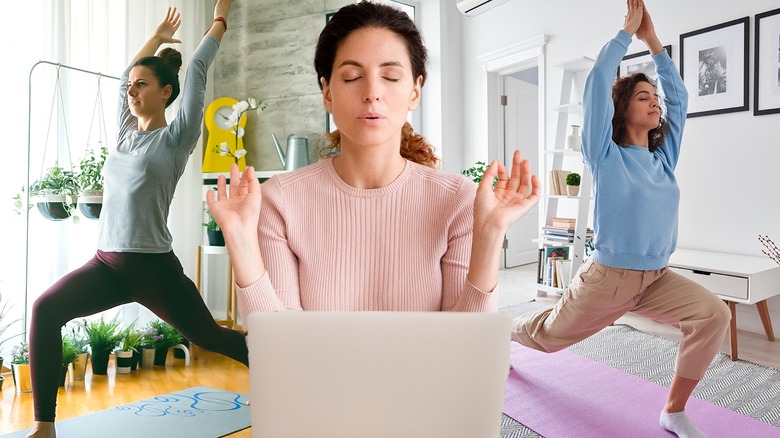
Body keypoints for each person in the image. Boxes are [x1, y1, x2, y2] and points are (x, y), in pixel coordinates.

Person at [207, 1, 540, 318]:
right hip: (317, 377)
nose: (372, 92)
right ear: (327, 93)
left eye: (391, 77)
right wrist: (239, 238)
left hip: (428, 378)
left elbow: (468, 340)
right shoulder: (281, 199)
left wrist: (491, 234)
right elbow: (277, 336)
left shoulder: (456, 199)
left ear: (415, 91)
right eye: (352, 77)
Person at [26, 3, 248, 437]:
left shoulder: (176, 137)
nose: (131, 91)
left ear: (166, 92)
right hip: (106, 265)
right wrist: (158, 37)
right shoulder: (126, 133)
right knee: (45, 309)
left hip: (154, 269)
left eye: (142, 85)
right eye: (131, 86)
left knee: (213, 339)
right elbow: (127, 73)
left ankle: (286, 369)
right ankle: (44, 426)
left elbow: (199, 65)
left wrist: (220, 17)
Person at [510, 1, 730, 437]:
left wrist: (653, 41)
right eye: (642, 97)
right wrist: (626, 34)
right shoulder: (605, 155)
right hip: (607, 280)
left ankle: (673, 410)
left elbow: (680, 99)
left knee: (714, 314)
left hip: (657, 279)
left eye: (654, 98)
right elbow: (595, 86)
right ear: (622, 110)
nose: (654, 104)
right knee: (546, 338)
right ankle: (504, 333)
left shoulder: (662, 158)